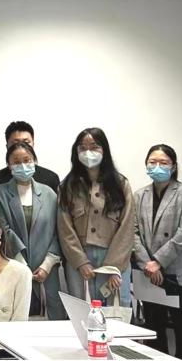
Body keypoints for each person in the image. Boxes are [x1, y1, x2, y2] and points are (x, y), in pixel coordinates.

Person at [133, 144, 182, 359]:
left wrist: (158, 262)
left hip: (178, 273)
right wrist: (147, 263)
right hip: (149, 273)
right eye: (152, 162)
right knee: (153, 331)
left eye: (163, 163)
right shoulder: (139, 195)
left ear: (173, 166)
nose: (157, 166)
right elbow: (133, 233)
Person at [57, 127, 134, 307]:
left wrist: (114, 266)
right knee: (82, 309)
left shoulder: (120, 184)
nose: (88, 152)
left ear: (104, 149)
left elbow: (127, 227)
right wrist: (80, 262)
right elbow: (64, 228)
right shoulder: (67, 186)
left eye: (94, 147)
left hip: (114, 256)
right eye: (82, 148)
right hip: (80, 258)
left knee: (116, 310)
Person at [0, 141, 66, 320]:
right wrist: (20, 263)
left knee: (52, 318)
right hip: (13, 266)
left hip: (47, 271)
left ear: (35, 161)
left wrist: (47, 264)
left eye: (27, 160)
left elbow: (59, 232)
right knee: (15, 315)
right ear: (9, 165)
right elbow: (3, 229)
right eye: (16, 162)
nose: (23, 166)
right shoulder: (1, 193)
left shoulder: (49, 194)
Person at [0, 121, 61, 192]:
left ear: (33, 144)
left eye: (26, 142)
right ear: (7, 147)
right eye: (16, 143)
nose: (21, 147)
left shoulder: (50, 179)